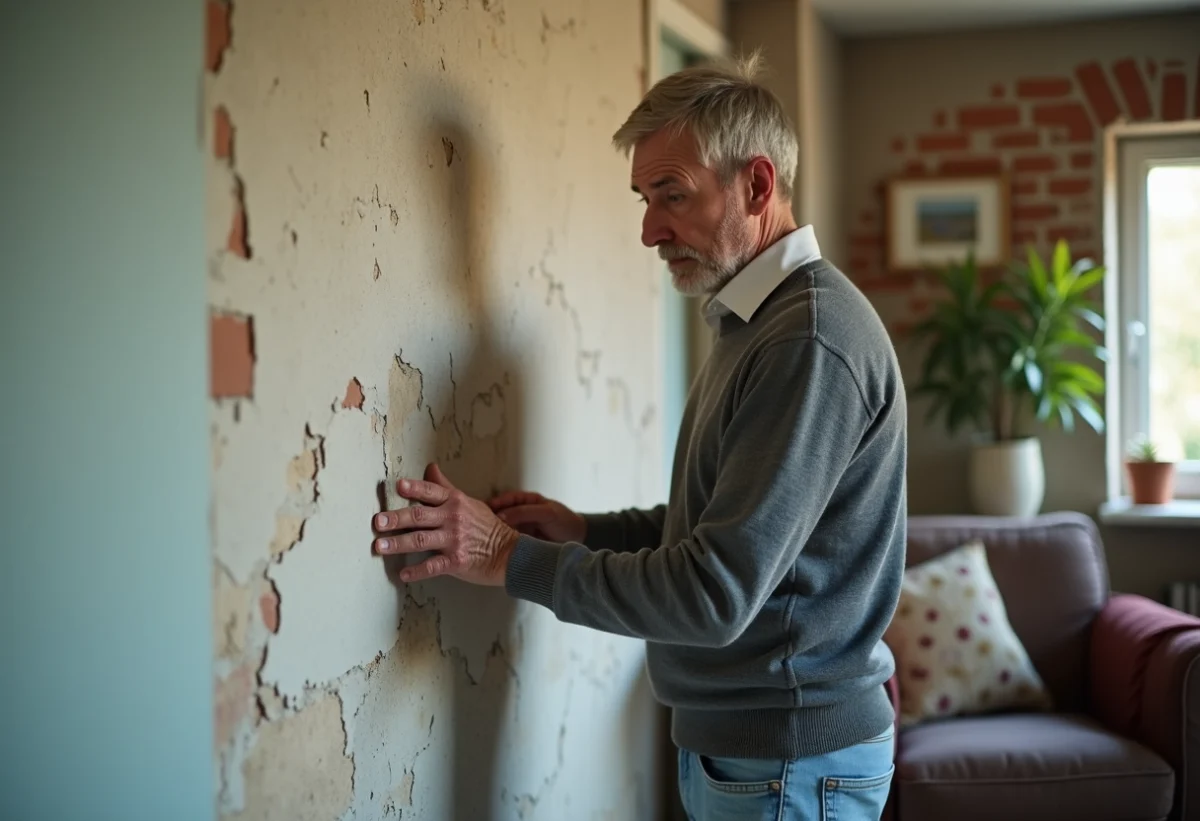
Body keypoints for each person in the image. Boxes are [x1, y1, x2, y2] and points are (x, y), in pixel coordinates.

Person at [371, 52, 907, 821]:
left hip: (788, 760)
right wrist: (587, 531)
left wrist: (506, 556)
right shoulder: (758, 323)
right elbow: (738, 537)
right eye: (644, 197)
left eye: (673, 195)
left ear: (757, 185)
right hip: (764, 753)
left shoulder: (806, 340)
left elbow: (714, 592)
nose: (651, 229)